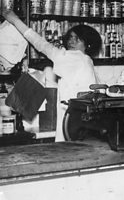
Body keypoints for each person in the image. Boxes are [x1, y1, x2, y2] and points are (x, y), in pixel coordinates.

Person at [2, 10, 101, 142]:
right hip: (81, 121)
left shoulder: (77, 58)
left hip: (75, 121)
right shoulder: (86, 61)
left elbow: (43, 46)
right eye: (70, 37)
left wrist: (15, 21)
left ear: (88, 44)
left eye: (77, 39)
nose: (71, 41)